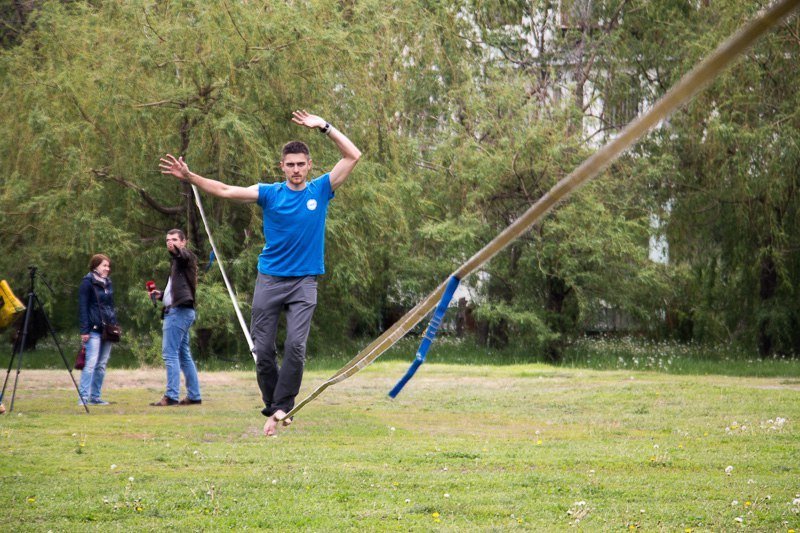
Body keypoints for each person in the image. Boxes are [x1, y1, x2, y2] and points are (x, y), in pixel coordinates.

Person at [160, 110, 361, 436]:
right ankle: (277, 404)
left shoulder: (321, 190)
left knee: (296, 346)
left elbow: (353, 155)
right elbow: (225, 190)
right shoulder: (270, 193)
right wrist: (191, 177)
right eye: (290, 164)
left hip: (304, 282)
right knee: (263, 351)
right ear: (282, 167)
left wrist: (324, 126)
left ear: (309, 165)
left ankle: (283, 407)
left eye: (301, 164)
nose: (296, 169)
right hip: (269, 279)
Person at [148, 229, 203, 406]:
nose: (169, 242)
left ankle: (171, 395)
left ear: (183, 242)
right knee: (183, 354)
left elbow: (183, 255)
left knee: (170, 353)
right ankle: (194, 396)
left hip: (179, 312)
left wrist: (177, 250)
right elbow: (177, 290)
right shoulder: (177, 265)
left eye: (174, 240)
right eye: (167, 240)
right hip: (180, 310)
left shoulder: (185, 257)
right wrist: (162, 295)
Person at [78, 254, 118, 405]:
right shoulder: (87, 283)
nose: (107, 269)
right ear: (95, 266)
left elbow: (110, 306)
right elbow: (83, 307)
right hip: (93, 329)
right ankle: (83, 397)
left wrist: (114, 323)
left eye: (108, 266)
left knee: (101, 364)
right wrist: (84, 330)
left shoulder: (108, 283)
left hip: (108, 329)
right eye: (104, 265)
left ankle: (95, 397)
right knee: (91, 363)